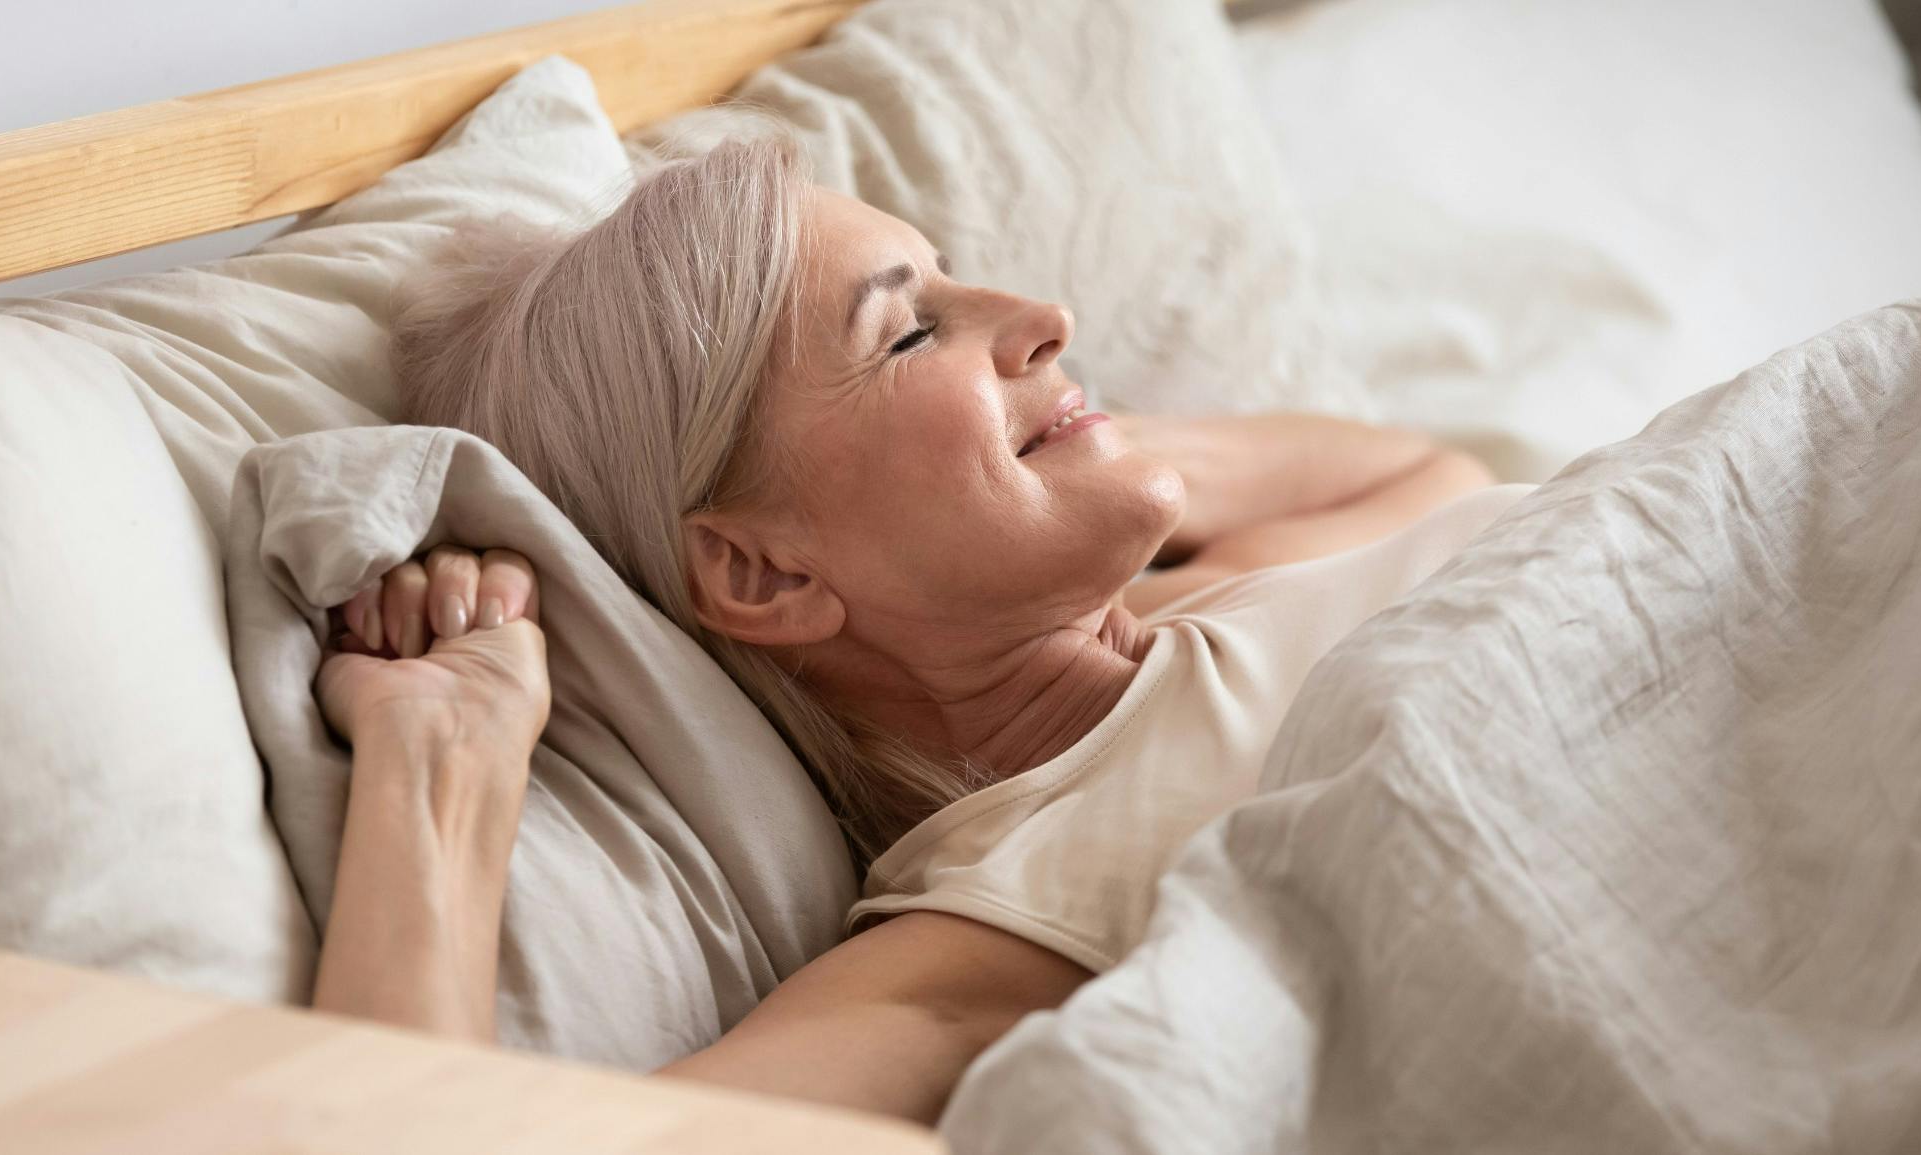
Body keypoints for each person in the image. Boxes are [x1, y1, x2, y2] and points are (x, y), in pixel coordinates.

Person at [310, 138, 1526, 1123]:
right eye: (908, 332)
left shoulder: (1205, 606)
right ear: (765, 573)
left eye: (951, 281)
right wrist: (443, 765)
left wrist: (1096, 451)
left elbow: (1428, 465)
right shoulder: (1003, 922)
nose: (1045, 315)